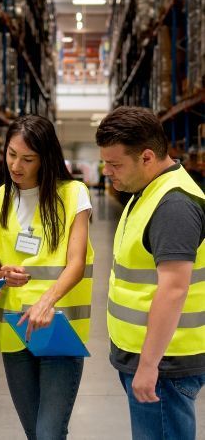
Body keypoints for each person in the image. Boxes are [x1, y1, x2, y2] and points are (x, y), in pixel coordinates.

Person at [96, 106, 205, 440]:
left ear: (146, 157)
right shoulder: (147, 192)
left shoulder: (173, 205)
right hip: (147, 354)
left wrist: (148, 365)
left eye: (114, 164)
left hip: (164, 363)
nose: (106, 171)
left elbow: (174, 289)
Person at [0, 115, 94, 440]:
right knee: (35, 432)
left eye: (27, 159)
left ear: (45, 158)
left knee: (49, 432)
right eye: (11, 154)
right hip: (14, 331)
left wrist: (46, 302)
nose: (16, 166)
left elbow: (76, 263)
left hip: (59, 328)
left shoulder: (74, 194)